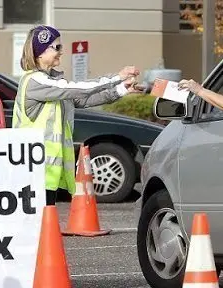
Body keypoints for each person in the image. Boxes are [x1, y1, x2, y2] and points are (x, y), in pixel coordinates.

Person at [11, 25, 143, 205]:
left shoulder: (51, 83)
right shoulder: (35, 81)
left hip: (43, 171)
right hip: (33, 169)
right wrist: (116, 77)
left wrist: (121, 89)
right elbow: (78, 89)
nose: (61, 52)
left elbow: (85, 99)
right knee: (36, 225)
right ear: (39, 52)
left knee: (44, 223)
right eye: (56, 47)